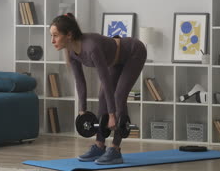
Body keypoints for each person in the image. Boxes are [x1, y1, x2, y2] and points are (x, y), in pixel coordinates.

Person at [49, 13, 147, 165]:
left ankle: (115, 150)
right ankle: (99, 146)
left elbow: (105, 81)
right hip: (117, 58)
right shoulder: (71, 52)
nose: (52, 40)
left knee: (119, 96)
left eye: (55, 35)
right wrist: (83, 111)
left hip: (134, 52)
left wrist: (112, 115)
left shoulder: (91, 48)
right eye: (51, 36)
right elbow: (80, 82)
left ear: (69, 34)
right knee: (102, 96)